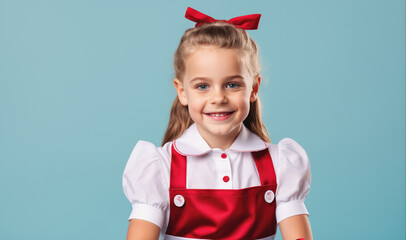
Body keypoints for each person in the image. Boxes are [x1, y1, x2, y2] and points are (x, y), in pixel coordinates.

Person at [123, 7, 313, 240]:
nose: (218, 98)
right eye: (203, 86)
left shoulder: (280, 164)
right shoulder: (161, 168)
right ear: (182, 92)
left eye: (232, 84)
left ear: (253, 88)